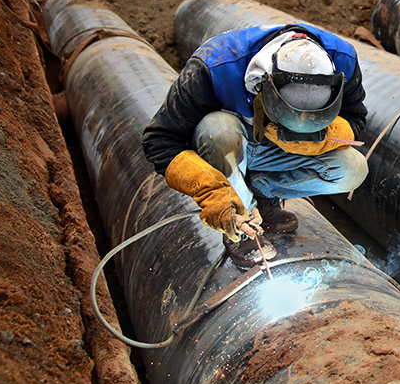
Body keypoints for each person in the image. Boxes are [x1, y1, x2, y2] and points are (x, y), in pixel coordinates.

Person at [141, 24, 369, 267]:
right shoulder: (215, 66)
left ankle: (262, 191)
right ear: (261, 85)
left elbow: (356, 118)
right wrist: (210, 190)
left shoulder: (343, 59)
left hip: (276, 153)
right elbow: (159, 140)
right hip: (227, 151)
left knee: (353, 168)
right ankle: (240, 221)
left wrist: (320, 138)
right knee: (218, 128)